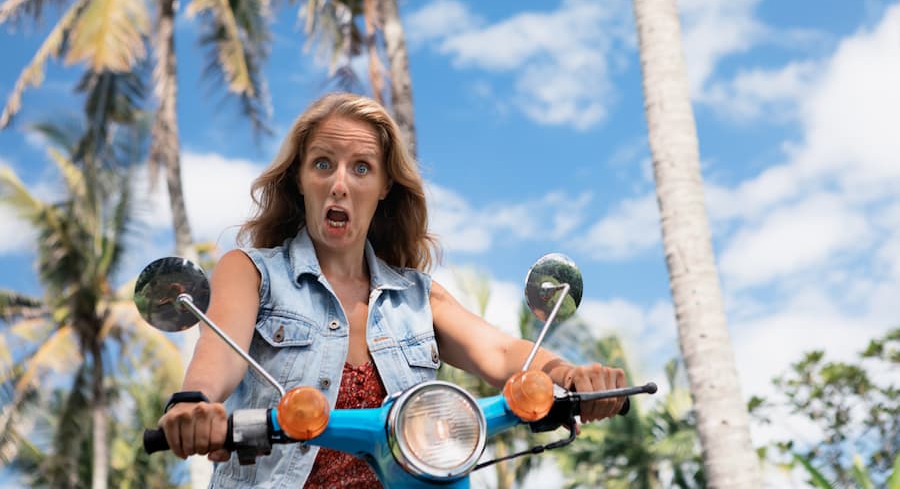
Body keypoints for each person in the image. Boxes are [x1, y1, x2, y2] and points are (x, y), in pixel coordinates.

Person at [157, 92, 627, 488]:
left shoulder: (418, 297)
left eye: (361, 168)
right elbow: (220, 353)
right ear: (300, 178)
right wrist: (196, 403)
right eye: (323, 163)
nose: (340, 184)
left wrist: (569, 375)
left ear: (384, 186)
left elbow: (502, 352)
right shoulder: (252, 272)